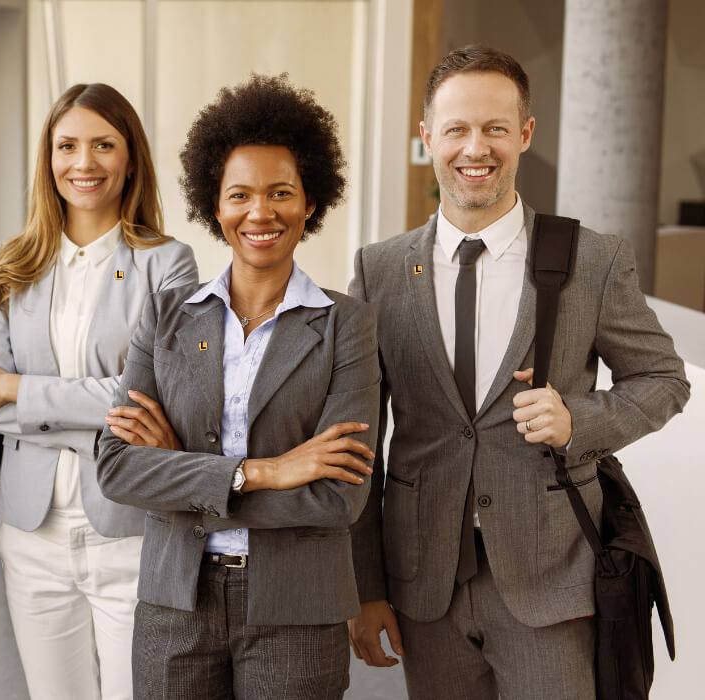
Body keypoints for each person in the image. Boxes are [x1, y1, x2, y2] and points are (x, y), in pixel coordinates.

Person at [346, 45, 691, 699]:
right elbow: (359, 442)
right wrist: (365, 588)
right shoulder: (379, 270)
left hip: (552, 583)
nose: (476, 148)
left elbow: (665, 380)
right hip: (425, 584)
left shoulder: (592, 259)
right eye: (457, 129)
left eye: (495, 128)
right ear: (428, 138)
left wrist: (577, 420)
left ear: (525, 133)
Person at [95, 74, 380, 700]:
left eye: (281, 192)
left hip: (298, 611)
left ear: (310, 204)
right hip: (175, 602)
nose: (261, 212)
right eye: (240, 195)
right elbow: (117, 470)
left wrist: (180, 472)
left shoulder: (347, 326)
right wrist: (265, 471)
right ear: (214, 206)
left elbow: (338, 500)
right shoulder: (166, 316)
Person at [0, 83, 196, 700]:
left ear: (130, 159)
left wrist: (18, 388)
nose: (83, 162)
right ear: (49, 158)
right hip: (30, 530)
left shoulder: (168, 264)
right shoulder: (12, 262)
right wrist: (96, 408)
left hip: (128, 525)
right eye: (67, 146)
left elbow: (152, 398)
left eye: (103, 145)